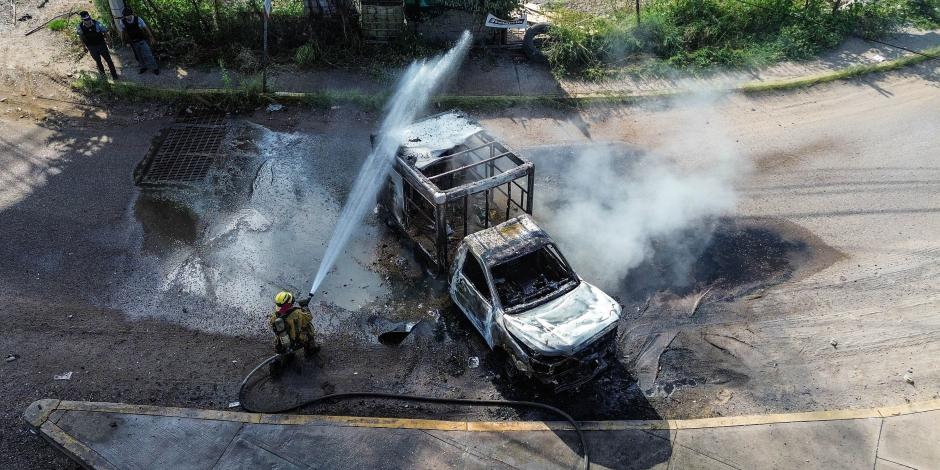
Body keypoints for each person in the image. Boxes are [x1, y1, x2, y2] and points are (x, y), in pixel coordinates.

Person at [269, 291, 318, 375]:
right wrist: (305, 306)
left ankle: (285, 358)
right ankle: (310, 350)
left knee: (282, 354)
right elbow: (308, 317)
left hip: (283, 345)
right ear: (289, 304)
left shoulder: (275, 316)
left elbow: (273, 326)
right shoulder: (297, 313)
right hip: (299, 341)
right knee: (308, 327)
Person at [75, 11, 118, 80]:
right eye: (86, 20)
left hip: (101, 45)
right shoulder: (80, 27)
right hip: (91, 47)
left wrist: (109, 42)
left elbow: (105, 32)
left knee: (109, 60)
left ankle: (115, 76)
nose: (88, 21)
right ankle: (103, 78)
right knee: (98, 61)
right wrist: (84, 47)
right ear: (82, 20)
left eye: (88, 19)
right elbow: (81, 37)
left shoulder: (97, 24)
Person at [120, 7, 159, 75]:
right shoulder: (122, 21)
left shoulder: (138, 19)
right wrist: (124, 41)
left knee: (148, 54)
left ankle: (155, 68)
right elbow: (123, 32)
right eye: (125, 16)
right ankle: (143, 67)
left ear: (131, 14)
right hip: (133, 42)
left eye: (128, 15)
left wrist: (151, 37)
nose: (127, 17)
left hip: (142, 40)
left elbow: (145, 28)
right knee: (138, 56)